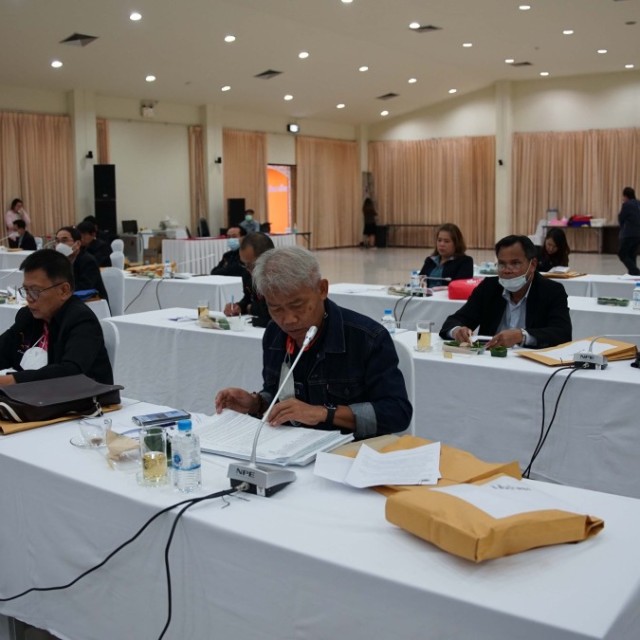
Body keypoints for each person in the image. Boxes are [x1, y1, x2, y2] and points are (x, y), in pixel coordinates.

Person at [215, 246, 412, 439]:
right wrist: (256, 403)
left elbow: (397, 413)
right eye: (276, 309)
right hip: (293, 448)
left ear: (322, 289)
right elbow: (278, 395)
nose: (288, 320)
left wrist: (323, 413)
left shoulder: (367, 338)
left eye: (297, 305)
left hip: (351, 451)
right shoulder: (274, 334)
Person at [0, 249, 113, 386]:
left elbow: (69, 372)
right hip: (34, 394)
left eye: (35, 291)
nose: (29, 298)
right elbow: (4, 349)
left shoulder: (82, 321)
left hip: (84, 396)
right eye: (26, 290)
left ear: (64, 290)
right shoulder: (28, 316)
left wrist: (11, 380)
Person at [440, 235, 572, 349]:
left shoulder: (551, 291)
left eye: (515, 263)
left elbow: (562, 333)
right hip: (490, 360)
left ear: (532, 265)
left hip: (531, 363)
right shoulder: (489, 287)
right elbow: (455, 320)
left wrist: (522, 336)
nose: (507, 270)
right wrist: (457, 331)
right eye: (502, 264)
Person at [223, 232, 274, 327]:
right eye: (244, 264)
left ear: (268, 258)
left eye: (251, 265)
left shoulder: (279, 278)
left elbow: (271, 312)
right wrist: (239, 307)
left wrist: (251, 308)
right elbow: (249, 298)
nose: (247, 269)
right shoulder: (247, 273)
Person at [55, 227, 109, 302]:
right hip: (69, 299)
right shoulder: (59, 261)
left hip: (92, 301)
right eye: (57, 241)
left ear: (77, 244)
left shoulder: (88, 261)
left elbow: (85, 286)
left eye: (64, 240)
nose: (60, 245)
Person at [617, 187, 640, 276]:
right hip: (638, 234)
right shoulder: (638, 203)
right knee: (631, 254)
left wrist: (622, 227)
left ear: (625, 196)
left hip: (630, 233)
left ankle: (636, 271)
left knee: (622, 254)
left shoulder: (626, 205)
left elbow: (621, 218)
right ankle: (633, 274)